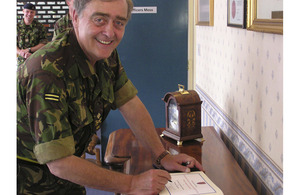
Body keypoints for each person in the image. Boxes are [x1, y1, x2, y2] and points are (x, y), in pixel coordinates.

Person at [17, 0, 204, 194]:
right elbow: (59, 163)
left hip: (69, 177)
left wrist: (162, 156)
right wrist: (131, 184)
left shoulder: (106, 56)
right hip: (27, 181)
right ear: (75, 16)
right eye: (99, 19)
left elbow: (130, 103)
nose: (109, 32)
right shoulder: (46, 70)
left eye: (119, 23)